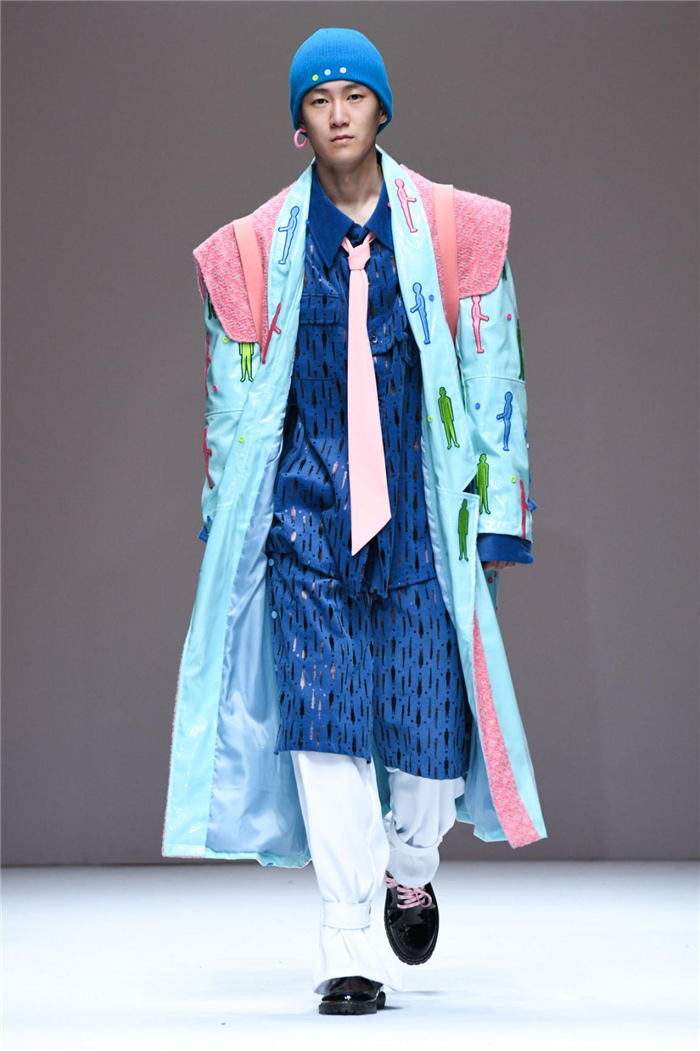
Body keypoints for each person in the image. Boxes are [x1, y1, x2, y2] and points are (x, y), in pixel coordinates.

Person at [162, 26, 547, 1019]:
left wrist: (499, 510)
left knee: (426, 731)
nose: (337, 114)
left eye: (353, 96)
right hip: (305, 514)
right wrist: (226, 517)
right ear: (299, 122)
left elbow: (493, 376)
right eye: (318, 99)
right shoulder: (254, 249)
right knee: (323, 726)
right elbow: (226, 398)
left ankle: (410, 867)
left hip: (418, 512)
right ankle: (346, 942)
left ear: (381, 110)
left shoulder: (455, 231)